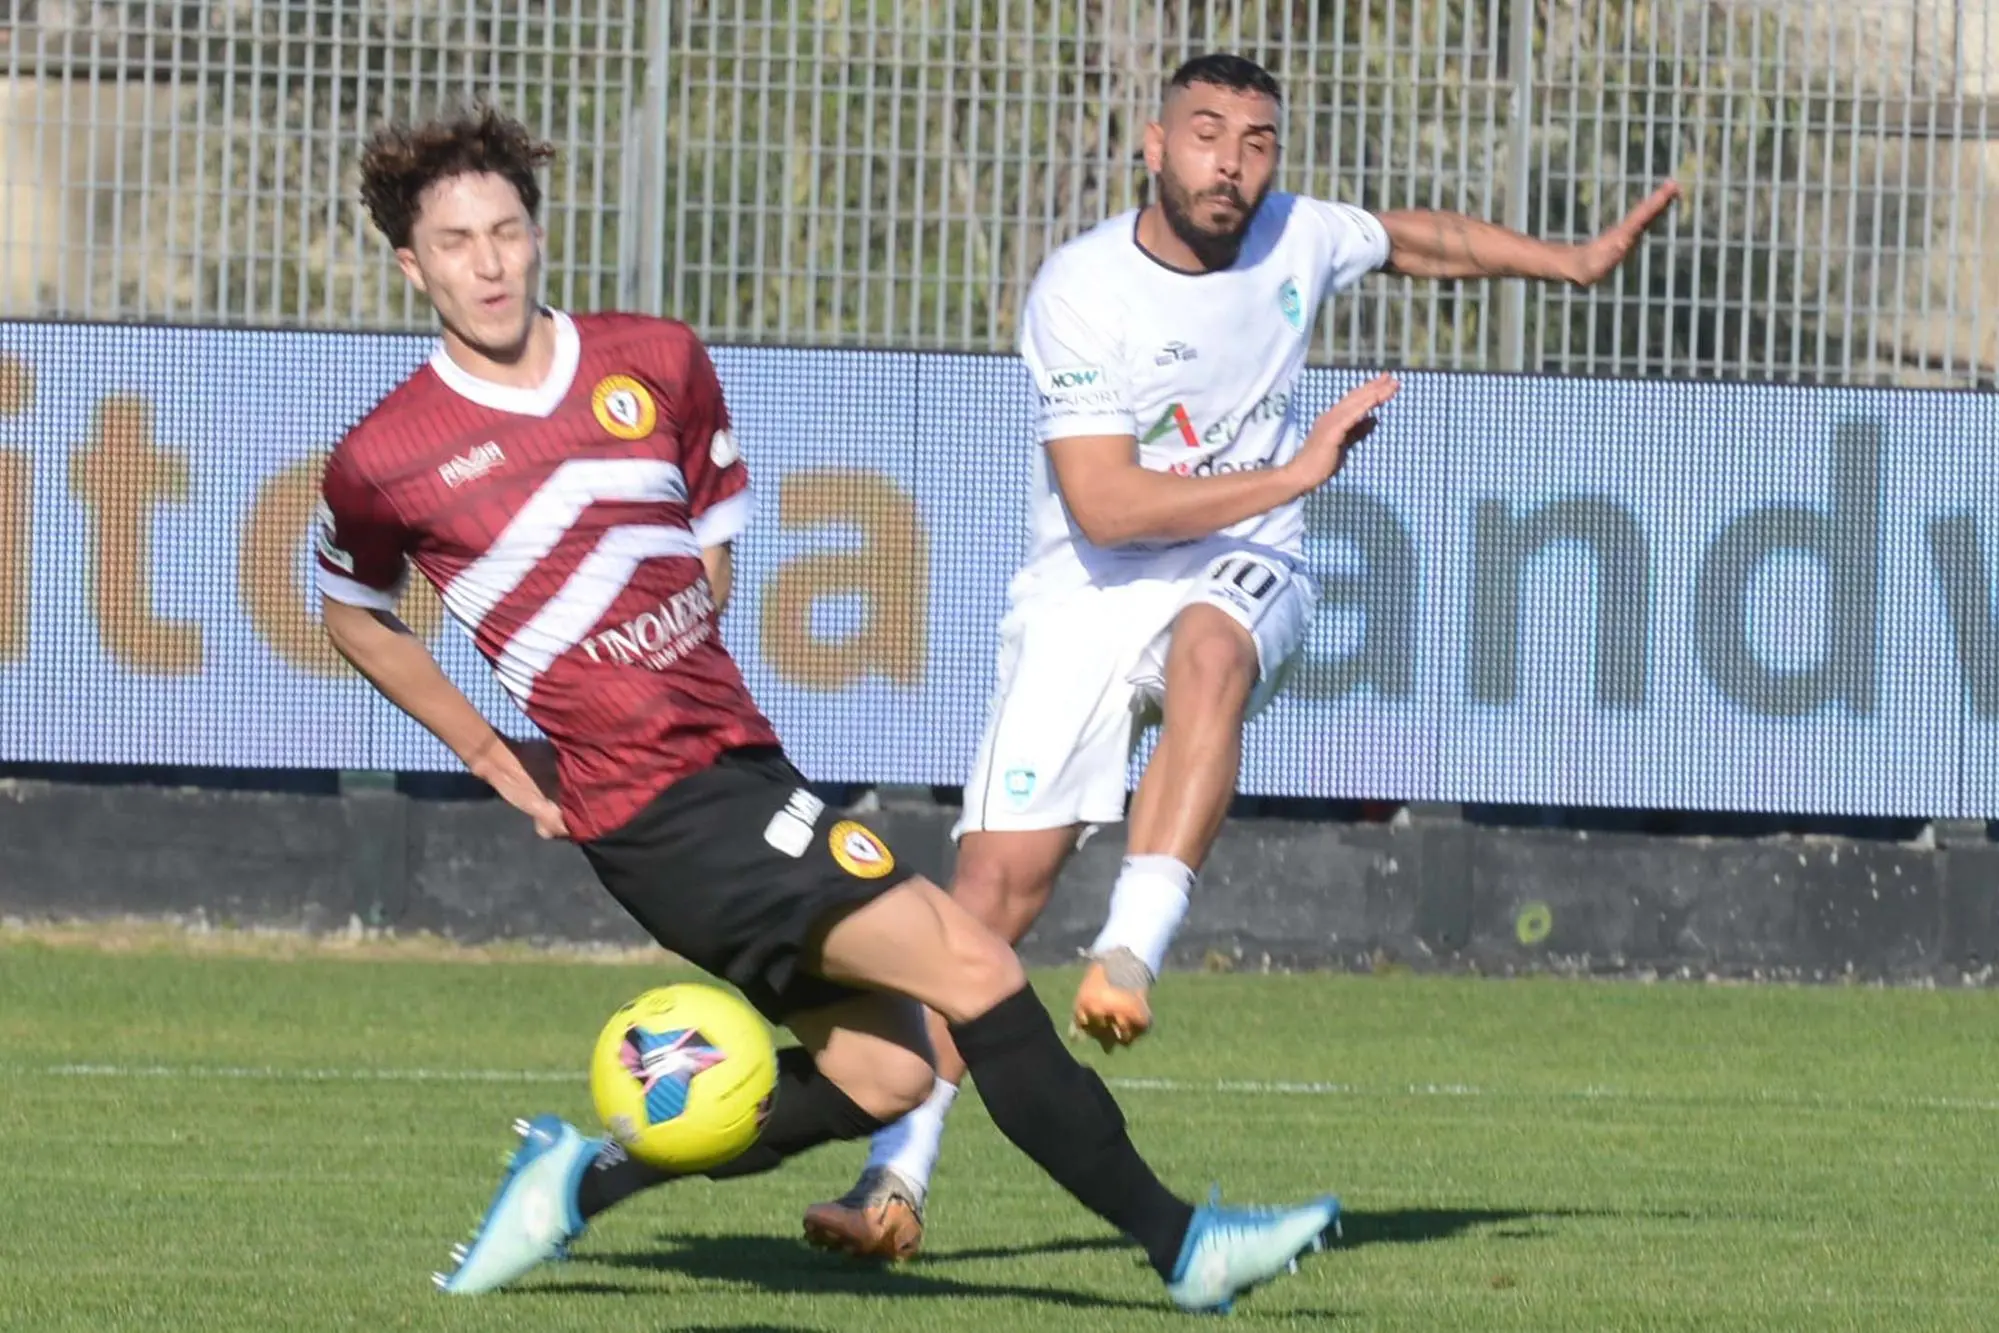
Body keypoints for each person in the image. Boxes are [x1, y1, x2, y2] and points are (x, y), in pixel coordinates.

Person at [313, 103, 1392, 1313]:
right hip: (657, 810)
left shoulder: (653, 358)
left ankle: (575, 1186)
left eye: (507, 230)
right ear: (412, 264)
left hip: (740, 767)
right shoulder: (384, 455)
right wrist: (494, 753)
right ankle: (1184, 1246)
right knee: (971, 964)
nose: (490, 262)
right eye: (456, 243)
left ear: (538, 231)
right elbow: (353, 610)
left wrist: (676, 665)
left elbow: (705, 546)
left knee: (881, 1071)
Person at [802, 51, 1680, 1260]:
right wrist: (1298, 472)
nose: (1233, 162)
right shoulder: (1081, 289)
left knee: (1213, 652)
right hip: (1091, 585)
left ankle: (1129, 952)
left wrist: (1568, 261)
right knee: (989, 900)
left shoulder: (1296, 234)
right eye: (1206, 134)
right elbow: (1105, 509)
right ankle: (894, 1179)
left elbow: (1414, 237)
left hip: (1243, 561)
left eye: (1257, 140)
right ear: (1152, 148)